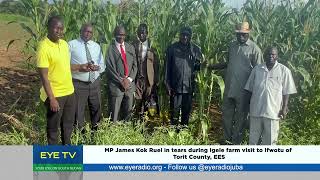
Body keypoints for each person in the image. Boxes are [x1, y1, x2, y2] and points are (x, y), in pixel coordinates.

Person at [210, 22, 263, 145]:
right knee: (226, 116)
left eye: (244, 34)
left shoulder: (254, 49)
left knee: (241, 118)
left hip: (244, 91)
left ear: (248, 33)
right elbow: (228, 63)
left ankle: (236, 143)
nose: (241, 37)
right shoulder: (232, 46)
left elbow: (259, 72)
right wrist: (211, 66)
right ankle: (227, 138)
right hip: (229, 87)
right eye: (238, 34)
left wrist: (255, 92)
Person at [244, 46, 297, 145]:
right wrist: (247, 108)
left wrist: (284, 107)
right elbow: (249, 90)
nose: (270, 56)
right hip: (256, 111)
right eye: (268, 54)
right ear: (264, 56)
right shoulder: (257, 69)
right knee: (252, 141)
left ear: (277, 56)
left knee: (270, 143)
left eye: (273, 54)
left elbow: (287, 91)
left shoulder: (284, 71)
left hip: (273, 112)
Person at [37, 16, 75, 145]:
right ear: (48, 28)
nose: (59, 31)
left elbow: (65, 66)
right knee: (53, 130)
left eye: (61, 28)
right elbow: (44, 76)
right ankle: (53, 157)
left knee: (68, 126)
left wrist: (82, 67)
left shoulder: (64, 44)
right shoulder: (44, 48)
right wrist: (52, 98)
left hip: (69, 92)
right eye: (56, 28)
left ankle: (67, 152)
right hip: (55, 95)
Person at [69, 23, 105, 132]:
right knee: (78, 112)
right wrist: (80, 68)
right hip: (79, 84)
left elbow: (102, 65)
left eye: (90, 32)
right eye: (85, 31)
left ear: (92, 34)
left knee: (96, 110)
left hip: (94, 84)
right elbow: (64, 65)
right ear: (80, 31)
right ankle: (80, 136)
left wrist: (97, 67)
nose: (87, 34)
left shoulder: (96, 46)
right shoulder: (71, 45)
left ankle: (96, 134)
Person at [165, 26, 202, 126]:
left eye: (187, 35)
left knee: (186, 113)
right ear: (179, 35)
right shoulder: (172, 49)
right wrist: (167, 85)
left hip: (189, 87)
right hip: (175, 87)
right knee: (174, 112)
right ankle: (173, 133)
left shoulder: (195, 50)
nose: (185, 37)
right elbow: (167, 68)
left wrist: (203, 64)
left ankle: (183, 133)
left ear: (190, 36)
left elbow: (198, 68)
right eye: (183, 35)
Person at [105, 25, 137, 122]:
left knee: (128, 114)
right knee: (114, 114)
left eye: (123, 35)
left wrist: (129, 80)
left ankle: (126, 134)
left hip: (129, 86)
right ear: (114, 35)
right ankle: (114, 134)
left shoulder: (130, 47)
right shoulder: (110, 49)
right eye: (119, 35)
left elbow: (135, 66)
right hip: (116, 86)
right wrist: (121, 81)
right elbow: (110, 69)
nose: (121, 37)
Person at [132, 23, 159, 117]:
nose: (141, 35)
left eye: (143, 33)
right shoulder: (133, 46)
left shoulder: (152, 46)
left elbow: (156, 65)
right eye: (139, 33)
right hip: (137, 79)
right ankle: (137, 121)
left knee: (147, 100)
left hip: (148, 79)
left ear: (147, 33)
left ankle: (146, 123)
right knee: (138, 100)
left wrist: (156, 80)